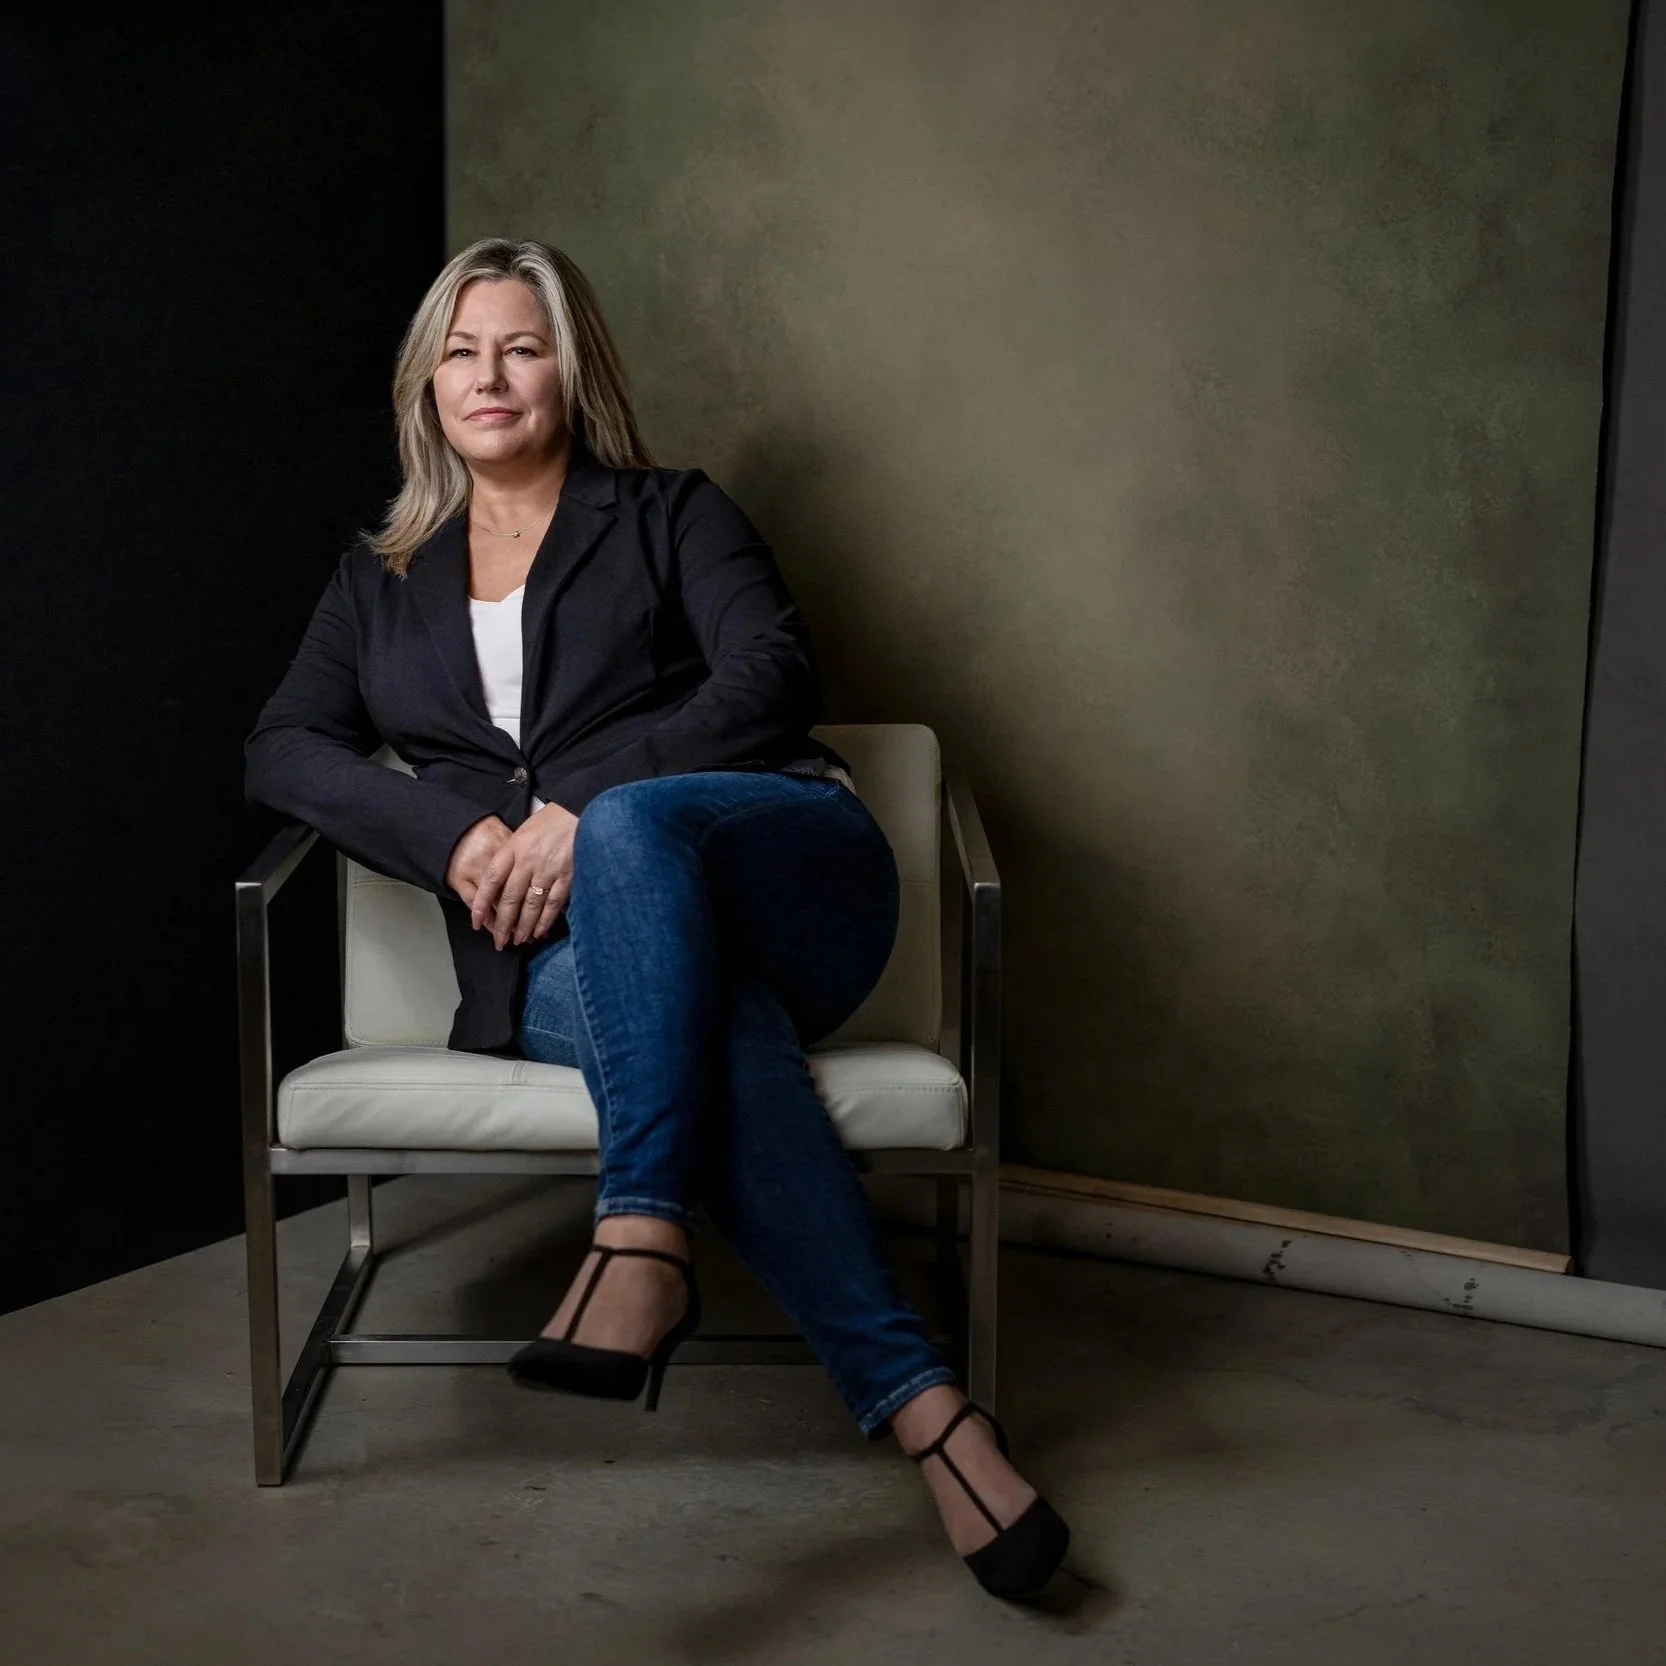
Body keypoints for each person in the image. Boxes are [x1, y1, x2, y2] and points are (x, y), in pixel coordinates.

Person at [244, 237, 1068, 1599]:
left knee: (628, 826)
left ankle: (639, 1231)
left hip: (787, 875)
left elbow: (774, 667)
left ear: (572, 370)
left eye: (521, 346)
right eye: (460, 351)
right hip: (554, 960)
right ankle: (936, 1420)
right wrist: (455, 837)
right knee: (712, 1029)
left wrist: (582, 802)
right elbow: (282, 748)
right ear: (425, 384)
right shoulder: (377, 576)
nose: (488, 375)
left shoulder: (670, 513)